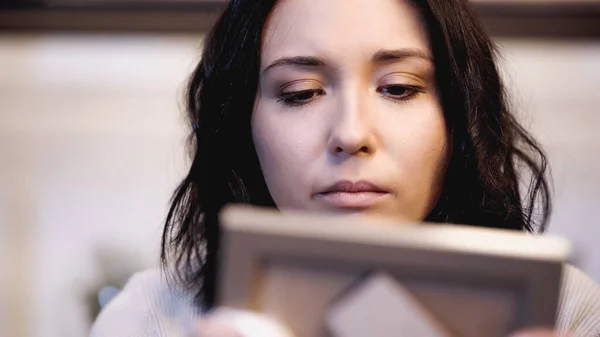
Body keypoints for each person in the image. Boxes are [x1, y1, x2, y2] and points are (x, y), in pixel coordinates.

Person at [90, 0, 600, 336]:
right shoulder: (150, 317)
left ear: (460, 118)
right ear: (242, 122)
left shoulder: (568, 313)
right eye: (301, 93)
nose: (352, 134)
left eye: (399, 87)